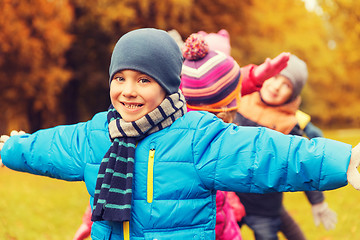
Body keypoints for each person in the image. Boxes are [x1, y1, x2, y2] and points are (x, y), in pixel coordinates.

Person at [1, 28, 360, 240]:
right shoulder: (99, 133)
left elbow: (265, 154)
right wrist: (14, 148)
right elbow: (50, 148)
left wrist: (342, 160)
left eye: (144, 80)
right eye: (120, 78)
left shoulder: (198, 137)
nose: (128, 90)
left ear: (170, 87)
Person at [234, 54, 337, 240]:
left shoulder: (289, 124)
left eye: (286, 85)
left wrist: (318, 201)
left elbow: (303, 163)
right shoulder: (240, 101)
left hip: (265, 208)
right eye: (274, 77)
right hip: (231, 200)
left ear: (293, 94)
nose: (276, 87)